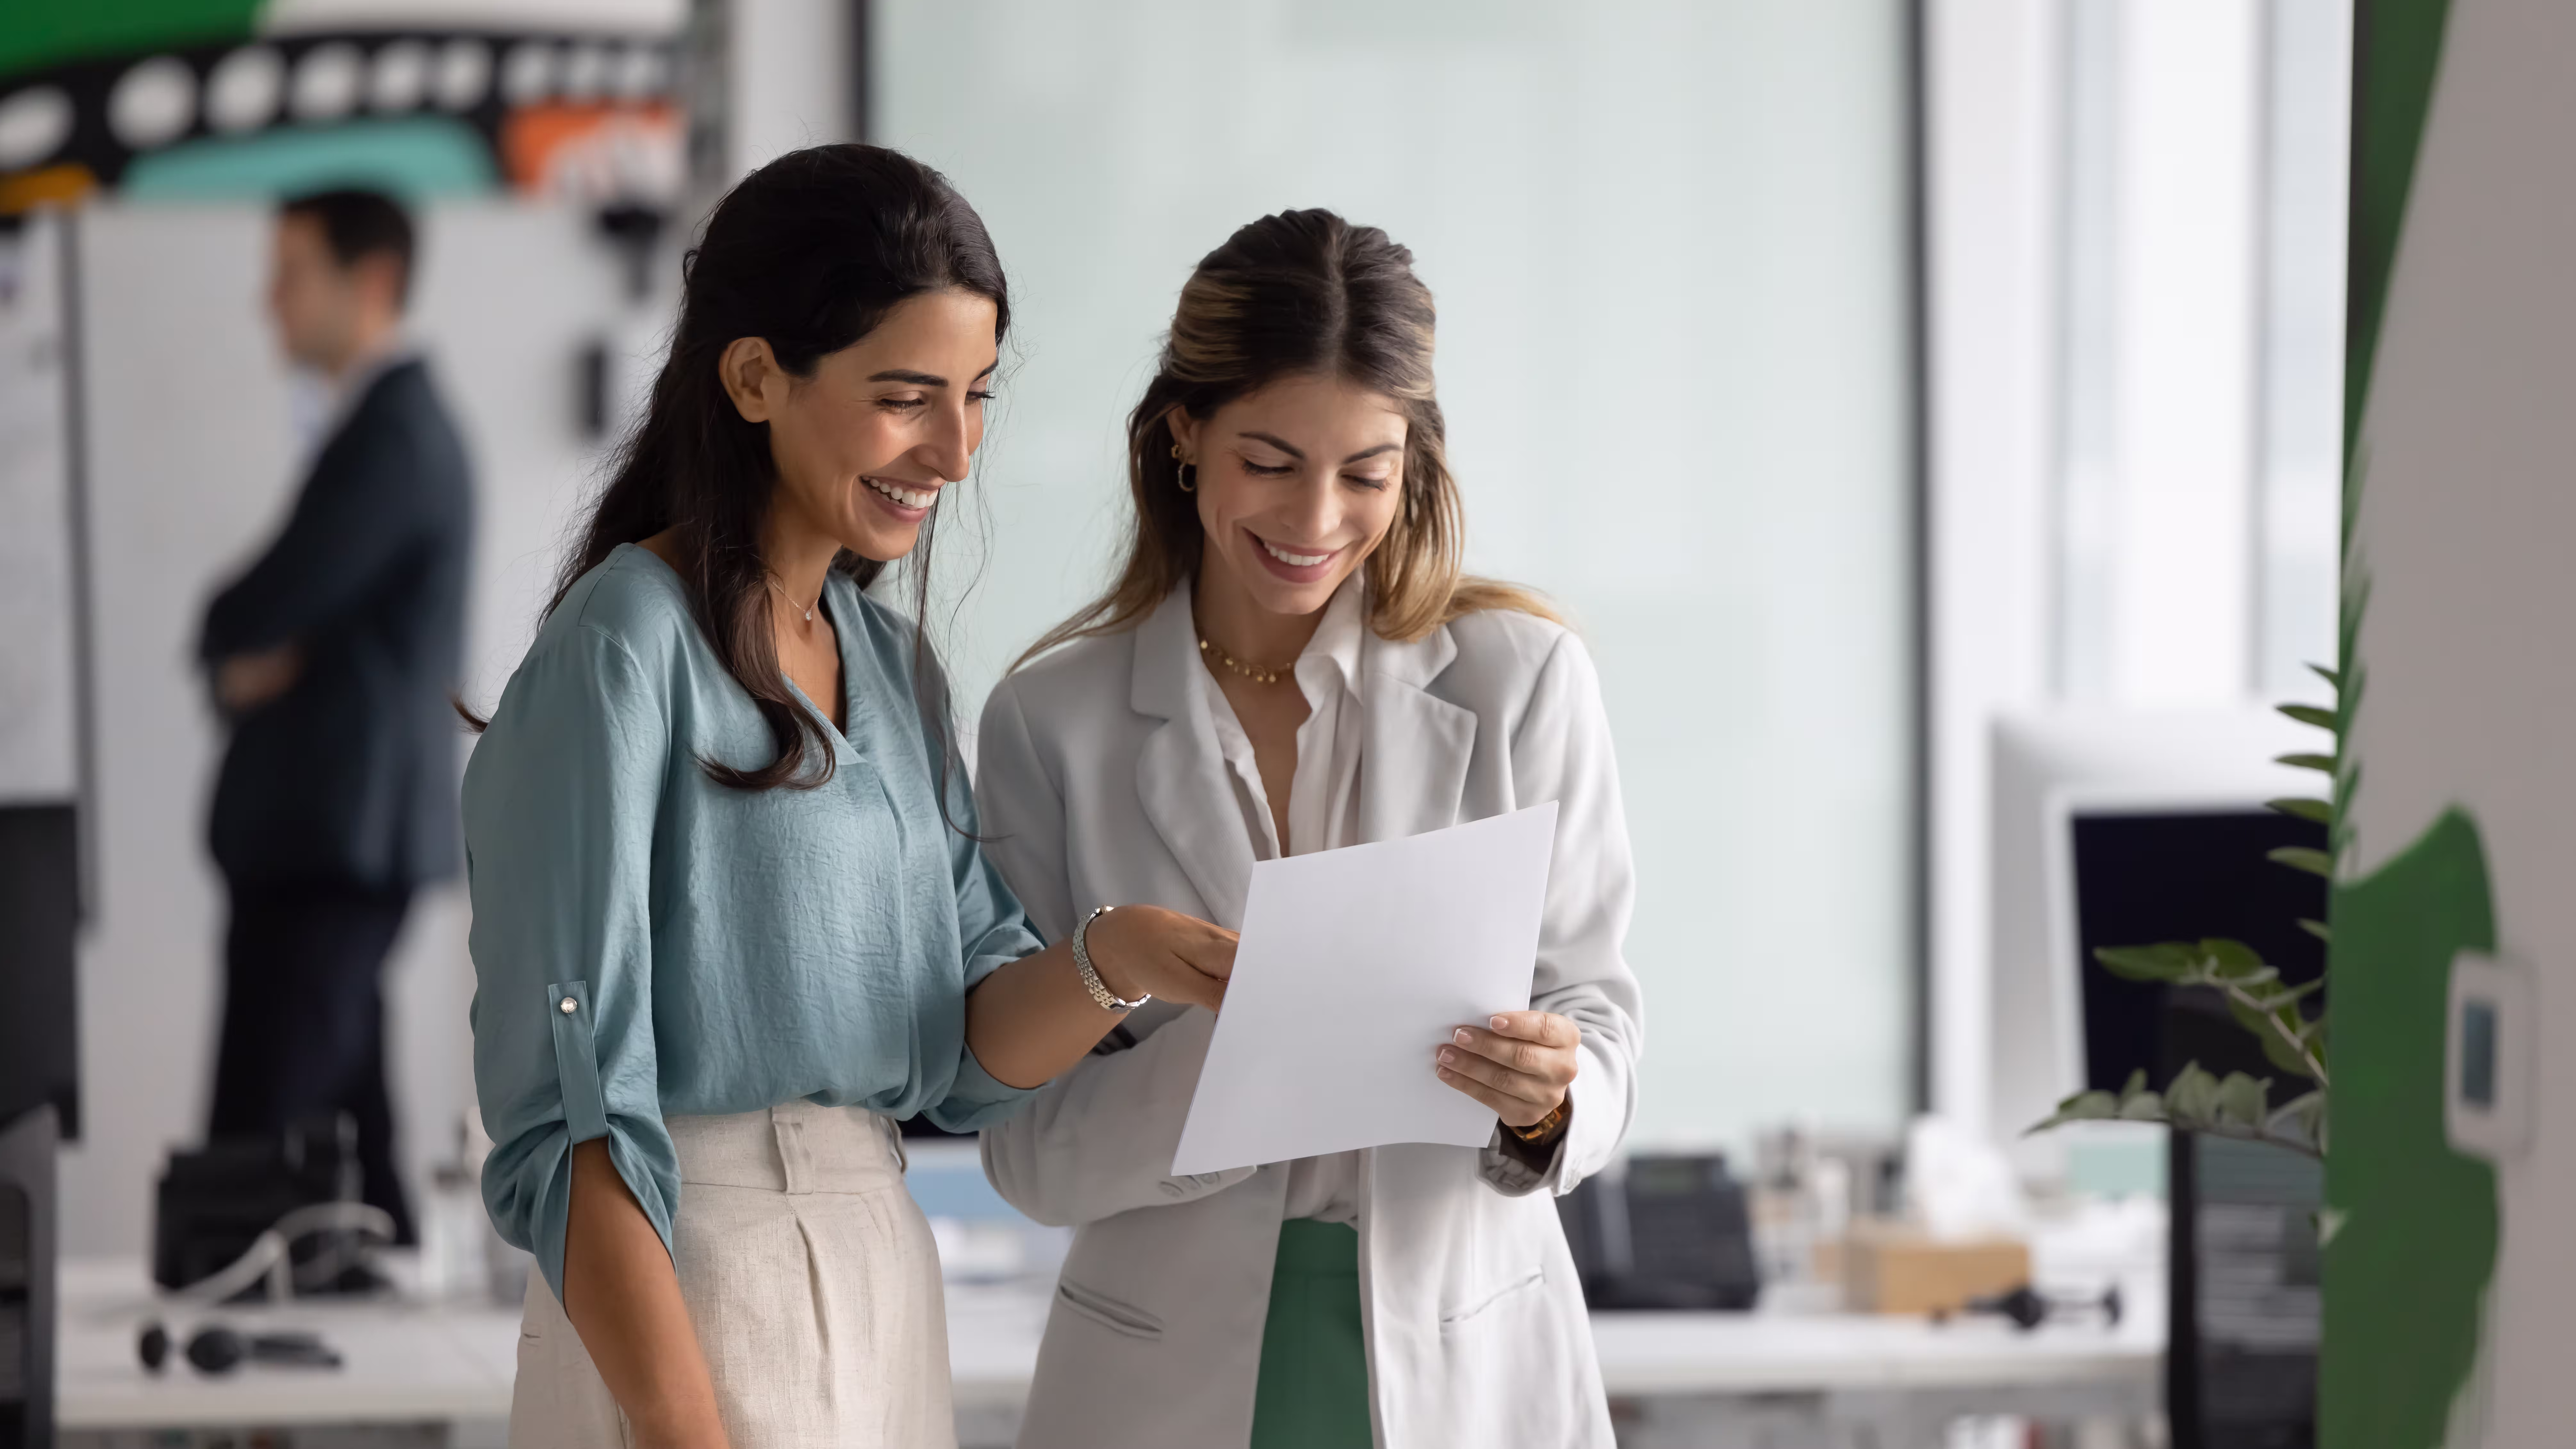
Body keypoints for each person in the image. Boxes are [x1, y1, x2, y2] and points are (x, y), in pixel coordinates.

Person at [463, 144, 1237, 1449]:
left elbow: (958, 1050)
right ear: (757, 376)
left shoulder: (890, 667)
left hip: (875, 1273)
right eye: (906, 397)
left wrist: (1119, 955)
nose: (954, 450)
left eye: (977, 397)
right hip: (680, 1295)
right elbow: (573, 1112)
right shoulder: (624, 649)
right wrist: (683, 1428)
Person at [974, 209, 1645, 1449]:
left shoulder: (1522, 678)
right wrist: (1251, 1060)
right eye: (1269, 461)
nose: (1317, 518)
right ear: (1185, 435)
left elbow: (1597, 1016)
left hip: (1468, 1353)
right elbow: (1026, 1153)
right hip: (1162, 1370)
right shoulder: (1048, 721)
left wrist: (1548, 1100)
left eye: (1366, 474)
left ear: (1414, 465)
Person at [200, 187, 473, 1244]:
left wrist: (249, 645)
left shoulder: (394, 434)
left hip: (333, 842)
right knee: (347, 1148)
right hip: (327, 840)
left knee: (263, 1151)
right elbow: (255, 626)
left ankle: (236, 1395)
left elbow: (255, 606)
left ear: (369, 283)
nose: (269, 301)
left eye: (290, 273)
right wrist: (247, 647)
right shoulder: (375, 428)